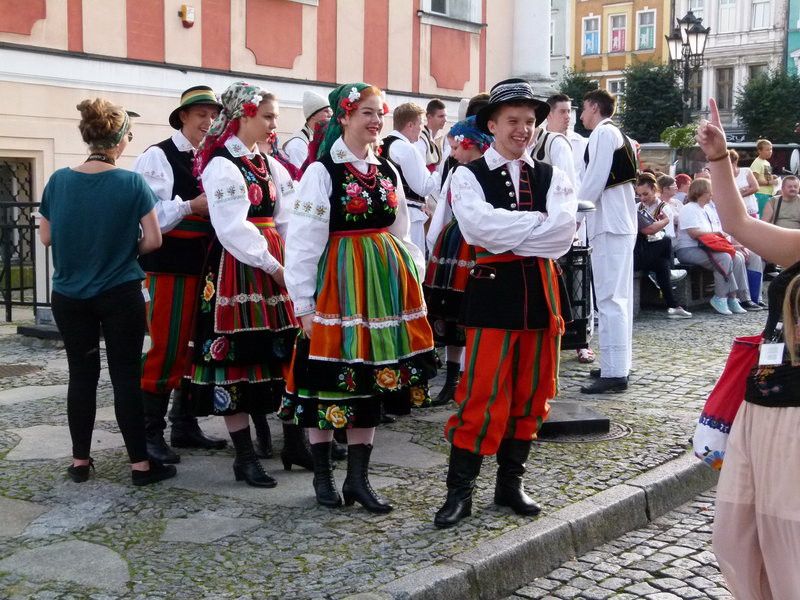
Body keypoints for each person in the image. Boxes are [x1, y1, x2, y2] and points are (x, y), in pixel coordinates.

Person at [282, 83, 437, 513]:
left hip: (381, 291)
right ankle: (322, 475)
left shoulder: (386, 169)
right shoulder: (322, 172)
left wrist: (412, 276)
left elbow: (401, 231)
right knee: (327, 381)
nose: (375, 120)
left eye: (379, 113)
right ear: (344, 117)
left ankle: (357, 479)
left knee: (370, 381)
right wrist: (304, 304)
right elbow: (303, 242)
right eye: (366, 112)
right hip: (337, 287)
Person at [433, 79, 577, 528]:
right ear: (491, 125)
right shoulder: (467, 175)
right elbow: (478, 229)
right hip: (492, 295)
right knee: (482, 392)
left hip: (541, 296)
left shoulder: (553, 176)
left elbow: (562, 236)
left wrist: (516, 230)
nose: (522, 129)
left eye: (529, 121)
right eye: (513, 120)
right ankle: (460, 492)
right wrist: (537, 223)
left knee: (534, 391)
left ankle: (510, 484)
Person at [39, 98, 175, 486]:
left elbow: (46, 237)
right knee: (125, 377)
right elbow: (154, 240)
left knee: (81, 376)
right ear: (120, 139)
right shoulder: (131, 182)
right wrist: (123, 248)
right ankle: (140, 467)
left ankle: (80, 462)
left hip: (69, 295)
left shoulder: (59, 180)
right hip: (119, 292)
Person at [697, 96, 800, 600]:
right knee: (736, 537)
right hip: (758, 404)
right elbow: (737, 224)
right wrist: (719, 158)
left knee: (789, 546)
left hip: (796, 417)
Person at [186, 81, 301, 488]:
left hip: (273, 262)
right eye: (267, 116)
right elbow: (232, 227)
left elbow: (288, 216)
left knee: (286, 350)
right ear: (244, 115)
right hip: (239, 266)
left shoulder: (268, 163)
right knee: (235, 360)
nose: (273, 125)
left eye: (274, 117)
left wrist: (292, 260)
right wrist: (273, 265)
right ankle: (245, 455)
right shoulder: (222, 165)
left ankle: (295, 442)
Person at [133, 85, 227, 465]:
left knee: (195, 346)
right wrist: (191, 206)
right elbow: (148, 215)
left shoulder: (214, 157)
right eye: (201, 114)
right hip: (169, 266)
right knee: (167, 347)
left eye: (213, 116)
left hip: (206, 267)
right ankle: (148, 433)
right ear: (183, 116)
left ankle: (184, 423)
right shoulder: (159, 156)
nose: (209, 122)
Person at [424, 116, 493, 407]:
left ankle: (474, 379)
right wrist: (435, 244)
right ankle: (452, 380)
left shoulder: (490, 171)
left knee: (477, 313)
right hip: (455, 244)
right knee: (450, 313)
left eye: (455, 147)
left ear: (470, 144)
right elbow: (443, 207)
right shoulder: (456, 171)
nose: (451, 154)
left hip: (478, 244)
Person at [577, 90, 638, 394]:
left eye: (583, 109)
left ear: (594, 107)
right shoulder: (618, 134)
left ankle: (615, 372)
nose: (580, 115)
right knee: (618, 298)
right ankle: (619, 363)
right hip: (619, 222)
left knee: (610, 299)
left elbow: (595, 178)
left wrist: (575, 215)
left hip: (609, 223)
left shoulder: (602, 133)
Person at [534, 93, 595, 364]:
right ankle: (554, 335)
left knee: (578, 282)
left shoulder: (573, 142)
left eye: (570, 111)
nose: (568, 116)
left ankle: (583, 340)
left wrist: (574, 223)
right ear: (548, 115)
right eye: (562, 111)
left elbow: (571, 185)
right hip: (547, 223)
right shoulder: (539, 142)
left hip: (571, 220)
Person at [673, 178, 759, 314]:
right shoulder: (689, 209)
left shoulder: (707, 209)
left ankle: (736, 297)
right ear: (701, 192)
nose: (712, 195)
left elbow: (714, 236)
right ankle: (720, 296)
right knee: (724, 258)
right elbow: (694, 233)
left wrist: (731, 246)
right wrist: (717, 234)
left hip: (707, 247)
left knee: (737, 257)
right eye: (710, 192)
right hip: (689, 249)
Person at [383, 102, 441, 256]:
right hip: (409, 216)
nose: (421, 129)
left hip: (388, 214)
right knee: (413, 261)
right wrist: (437, 174)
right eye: (420, 124)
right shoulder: (407, 149)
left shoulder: (383, 144)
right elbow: (423, 188)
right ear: (410, 125)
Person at [634, 174, 691, 318]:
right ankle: (671, 272)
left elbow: (666, 233)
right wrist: (659, 224)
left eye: (645, 194)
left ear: (654, 190)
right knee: (665, 243)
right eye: (639, 195)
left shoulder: (665, 208)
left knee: (662, 264)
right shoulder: (637, 207)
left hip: (653, 249)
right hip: (641, 249)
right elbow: (652, 231)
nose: (642, 198)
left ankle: (674, 306)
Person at [729, 149, 765, 307]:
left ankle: (757, 296)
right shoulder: (725, 177)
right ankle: (745, 296)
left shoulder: (745, 171)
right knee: (748, 253)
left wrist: (739, 194)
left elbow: (755, 187)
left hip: (750, 213)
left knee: (757, 252)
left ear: (735, 162)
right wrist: (741, 192)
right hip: (736, 216)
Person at [282, 91, 332, 171]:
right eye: (326, 111)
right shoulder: (298, 143)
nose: (330, 115)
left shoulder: (320, 137)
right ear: (313, 115)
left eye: (330, 111)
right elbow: (300, 174)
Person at [750, 138, 779, 216]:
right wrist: (770, 182)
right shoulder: (757, 162)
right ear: (759, 151)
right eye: (767, 150)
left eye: (771, 149)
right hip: (760, 194)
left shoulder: (767, 162)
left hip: (768, 194)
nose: (770, 151)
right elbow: (754, 181)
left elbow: (767, 177)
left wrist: (774, 178)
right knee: (762, 217)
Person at [415, 98, 447, 171]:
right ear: (429, 117)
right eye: (441, 116)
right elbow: (419, 169)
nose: (445, 120)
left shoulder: (441, 139)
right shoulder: (420, 139)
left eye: (445, 116)